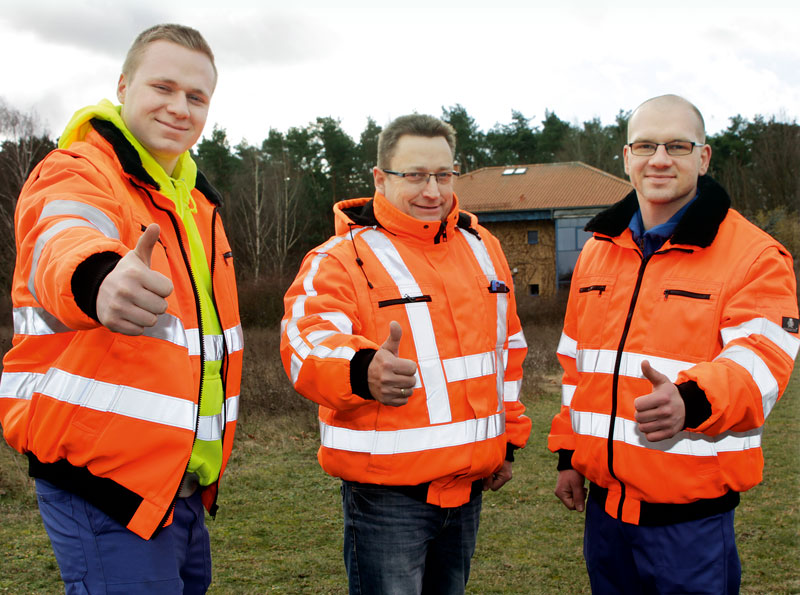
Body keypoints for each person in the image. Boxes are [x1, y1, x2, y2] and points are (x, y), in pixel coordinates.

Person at [0, 24, 242, 593]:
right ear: (123, 85)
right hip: (103, 480)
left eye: (197, 96)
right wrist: (99, 278)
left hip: (176, 481)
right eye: (163, 87)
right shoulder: (78, 169)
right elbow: (63, 233)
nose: (180, 107)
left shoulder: (196, 200)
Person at [548, 94, 799, 594]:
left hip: (690, 523)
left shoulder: (754, 256)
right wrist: (568, 455)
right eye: (645, 145)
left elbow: (761, 361)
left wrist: (691, 399)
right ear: (626, 158)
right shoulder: (598, 250)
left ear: (703, 158)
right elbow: (576, 365)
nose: (659, 159)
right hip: (605, 517)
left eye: (677, 146)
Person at [280, 114, 531, 594]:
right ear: (380, 178)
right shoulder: (338, 258)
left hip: (469, 488)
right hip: (387, 498)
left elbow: (508, 350)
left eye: (443, 175)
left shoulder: (483, 248)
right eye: (414, 176)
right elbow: (305, 341)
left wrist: (509, 439)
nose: (432, 191)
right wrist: (361, 370)